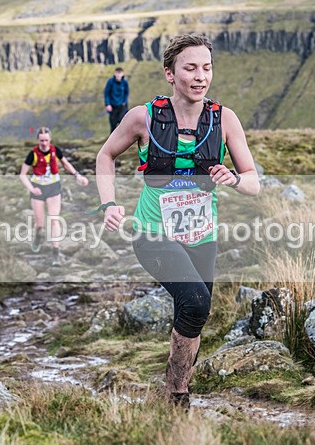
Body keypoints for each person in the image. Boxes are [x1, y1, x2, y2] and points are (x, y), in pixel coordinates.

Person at [95, 34, 260, 408]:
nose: (201, 76)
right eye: (191, 68)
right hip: (153, 234)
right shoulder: (143, 117)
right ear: (170, 74)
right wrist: (109, 204)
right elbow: (106, 155)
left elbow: (253, 182)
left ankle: (173, 392)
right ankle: (178, 395)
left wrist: (234, 179)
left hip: (202, 236)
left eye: (207, 68)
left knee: (193, 313)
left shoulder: (225, 119)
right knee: (197, 303)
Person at [20, 127, 89, 264]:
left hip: (53, 187)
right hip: (38, 188)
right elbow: (22, 175)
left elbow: (65, 163)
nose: (44, 143)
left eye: (46, 140)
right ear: (38, 140)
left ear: (50, 139)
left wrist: (77, 175)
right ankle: (38, 236)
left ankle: (55, 252)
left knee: (54, 219)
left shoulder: (55, 150)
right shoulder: (32, 154)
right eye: (41, 140)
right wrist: (32, 189)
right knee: (40, 223)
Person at [104, 67, 129, 133]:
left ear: (122, 74)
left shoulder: (125, 82)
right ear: (115, 74)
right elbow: (106, 93)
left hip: (122, 106)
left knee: (123, 123)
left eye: (119, 73)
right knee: (113, 125)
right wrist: (107, 104)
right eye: (117, 73)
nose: (118, 75)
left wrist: (124, 101)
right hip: (113, 106)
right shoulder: (110, 82)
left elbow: (126, 93)